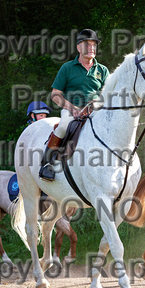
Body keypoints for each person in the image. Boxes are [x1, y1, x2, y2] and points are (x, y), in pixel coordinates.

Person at [39, 29, 109, 181]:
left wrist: (101, 101)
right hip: (72, 110)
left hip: (96, 111)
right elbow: (55, 94)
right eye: (87, 44)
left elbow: (108, 94)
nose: (91, 48)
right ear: (78, 47)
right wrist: (72, 109)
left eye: (94, 45)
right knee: (63, 125)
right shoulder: (67, 68)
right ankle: (48, 164)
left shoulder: (102, 70)